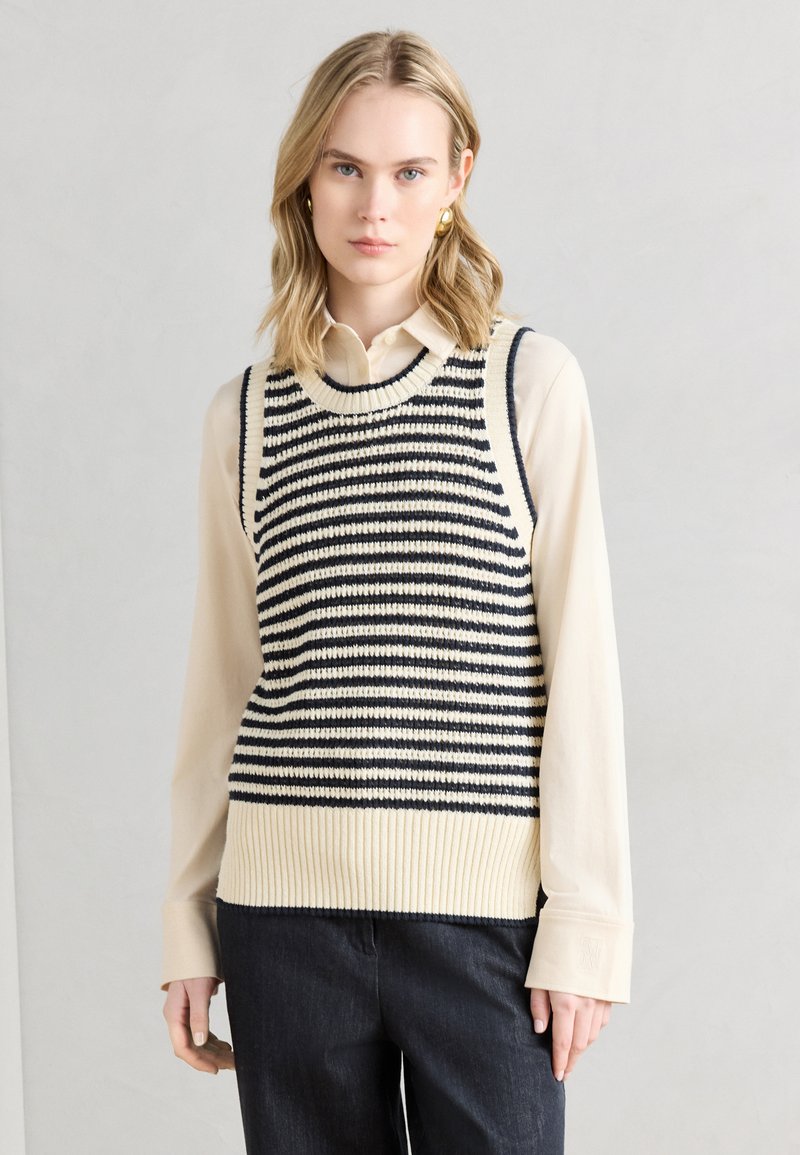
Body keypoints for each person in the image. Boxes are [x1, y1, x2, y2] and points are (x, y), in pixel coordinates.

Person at [160, 27, 633, 1155]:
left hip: (482, 929)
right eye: (346, 168)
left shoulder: (526, 384)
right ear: (304, 179)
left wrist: (585, 924)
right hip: (283, 925)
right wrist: (187, 922)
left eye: (409, 171)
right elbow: (221, 686)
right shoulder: (245, 417)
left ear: (457, 179)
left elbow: (582, 669)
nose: (376, 206)